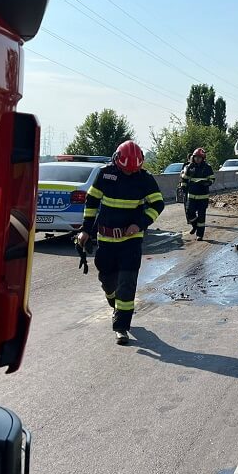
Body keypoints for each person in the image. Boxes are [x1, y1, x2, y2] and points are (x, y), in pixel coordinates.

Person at [77, 141, 164, 345]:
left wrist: (140, 223)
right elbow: (92, 203)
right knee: (108, 281)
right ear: (117, 160)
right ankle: (113, 301)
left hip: (131, 241)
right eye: (126, 170)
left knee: (127, 284)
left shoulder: (145, 179)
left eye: (134, 170)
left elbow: (158, 204)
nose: (129, 174)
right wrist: (85, 230)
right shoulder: (105, 174)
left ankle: (121, 327)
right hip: (106, 240)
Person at [180, 147, 215, 239]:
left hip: (203, 197)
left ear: (203, 158)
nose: (197, 159)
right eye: (196, 157)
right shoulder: (190, 167)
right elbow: (184, 178)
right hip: (191, 196)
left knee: (201, 216)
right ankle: (195, 226)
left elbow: (212, 179)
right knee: (189, 213)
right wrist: (183, 186)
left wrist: (206, 183)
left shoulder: (207, 167)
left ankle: (200, 234)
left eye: (199, 157)